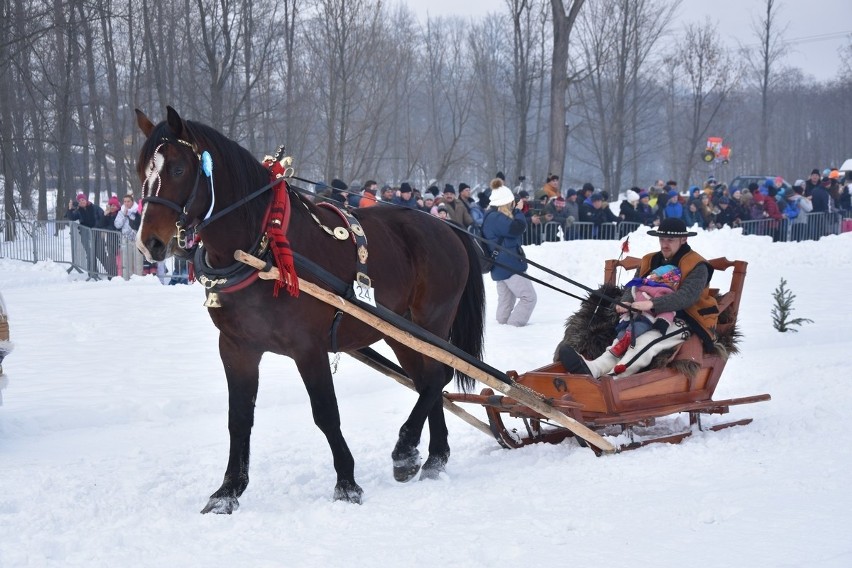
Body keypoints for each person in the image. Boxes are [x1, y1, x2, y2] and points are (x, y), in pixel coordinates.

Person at [559, 217, 719, 378]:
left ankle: (613, 378)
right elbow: (634, 284)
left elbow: (686, 297)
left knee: (645, 342)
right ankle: (595, 368)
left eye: (670, 240)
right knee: (623, 338)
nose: (665, 244)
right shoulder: (649, 260)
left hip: (685, 318)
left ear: (684, 239)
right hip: (646, 313)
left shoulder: (698, 265)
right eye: (662, 239)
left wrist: (652, 304)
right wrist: (626, 301)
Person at [481, 179, 537, 327]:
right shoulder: (495, 217)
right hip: (509, 265)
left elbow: (507, 225)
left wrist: (515, 210)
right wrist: (518, 210)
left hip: (500, 265)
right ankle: (514, 327)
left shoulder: (492, 215)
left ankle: (502, 327)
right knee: (529, 297)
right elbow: (517, 227)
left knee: (506, 300)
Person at [608, 265, 682, 374]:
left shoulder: (664, 292)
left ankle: (623, 352)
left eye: (654, 275)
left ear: (664, 278)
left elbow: (668, 310)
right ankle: (615, 348)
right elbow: (634, 297)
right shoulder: (644, 285)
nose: (650, 276)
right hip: (634, 315)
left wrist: (662, 321)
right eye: (652, 273)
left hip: (647, 319)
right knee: (622, 330)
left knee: (635, 329)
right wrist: (627, 304)